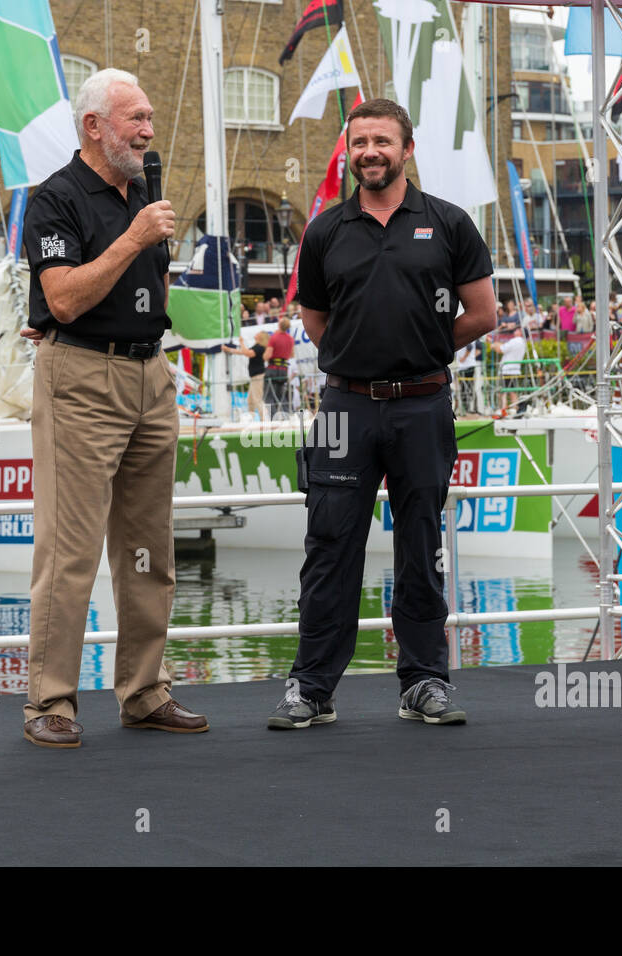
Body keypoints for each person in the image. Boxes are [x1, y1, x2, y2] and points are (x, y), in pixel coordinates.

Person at [268, 98, 495, 730]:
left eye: (382, 141)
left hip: (422, 405)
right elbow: (314, 319)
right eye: (360, 141)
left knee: (421, 545)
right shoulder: (325, 231)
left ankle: (424, 680)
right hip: (344, 405)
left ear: (406, 149)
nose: (370, 151)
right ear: (350, 150)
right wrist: (360, 355)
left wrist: (420, 348)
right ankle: (311, 687)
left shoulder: (449, 224)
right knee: (329, 544)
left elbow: (482, 313)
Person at [16, 67, 207, 748]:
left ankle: (145, 691)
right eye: (135, 118)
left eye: (150, 118)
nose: (149, 131)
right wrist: (133, 237)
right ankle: (51, 701)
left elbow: (150, 287)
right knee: (70, 552)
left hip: (149, 373)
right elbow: (63, 298)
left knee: (151, 549)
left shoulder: (142, 196)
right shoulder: (55, 199)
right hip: (81, 377)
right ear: (94, 125)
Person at [221, 330, 268, 416]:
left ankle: (264, 419)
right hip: (254, 376)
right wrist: (228, 349)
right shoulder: (256, 347)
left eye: (258, 333)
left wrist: (241, 342)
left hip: (258, 376)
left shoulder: (260, 347)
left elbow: (247, 353)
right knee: (250, 400)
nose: (256, 334)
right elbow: (242, 352)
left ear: (261, 337)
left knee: (257, 399)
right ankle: (252, 418)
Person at [263, 315, 294, 419]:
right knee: (281, 395)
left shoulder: (274, 337)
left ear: (279, 325)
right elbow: (291, 355)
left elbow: (267, 355)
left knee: (268, 395)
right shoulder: (290, 339)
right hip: (284, 369)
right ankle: (287, 416)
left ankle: (273, 418)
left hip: (272, 369)